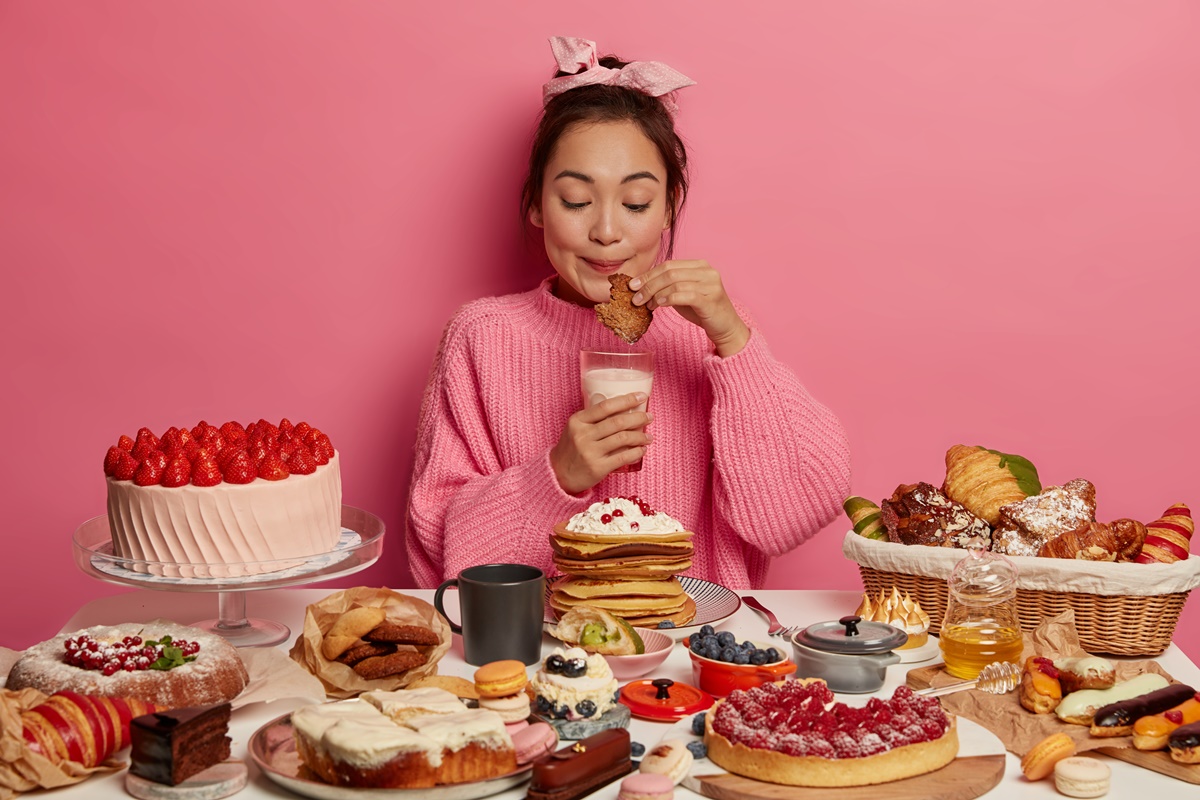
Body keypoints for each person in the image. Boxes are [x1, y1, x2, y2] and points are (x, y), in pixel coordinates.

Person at [404, 37, 851, 589]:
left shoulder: (709, 337)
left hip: (694, 650)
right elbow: (437, 556)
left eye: (636, 203)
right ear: (536, 206)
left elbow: (795, 514)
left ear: (668, 209)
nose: (607, 231)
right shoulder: (482, 338)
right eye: (575, 200)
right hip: (541, 656)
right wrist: (557, 475)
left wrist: (734, 340)